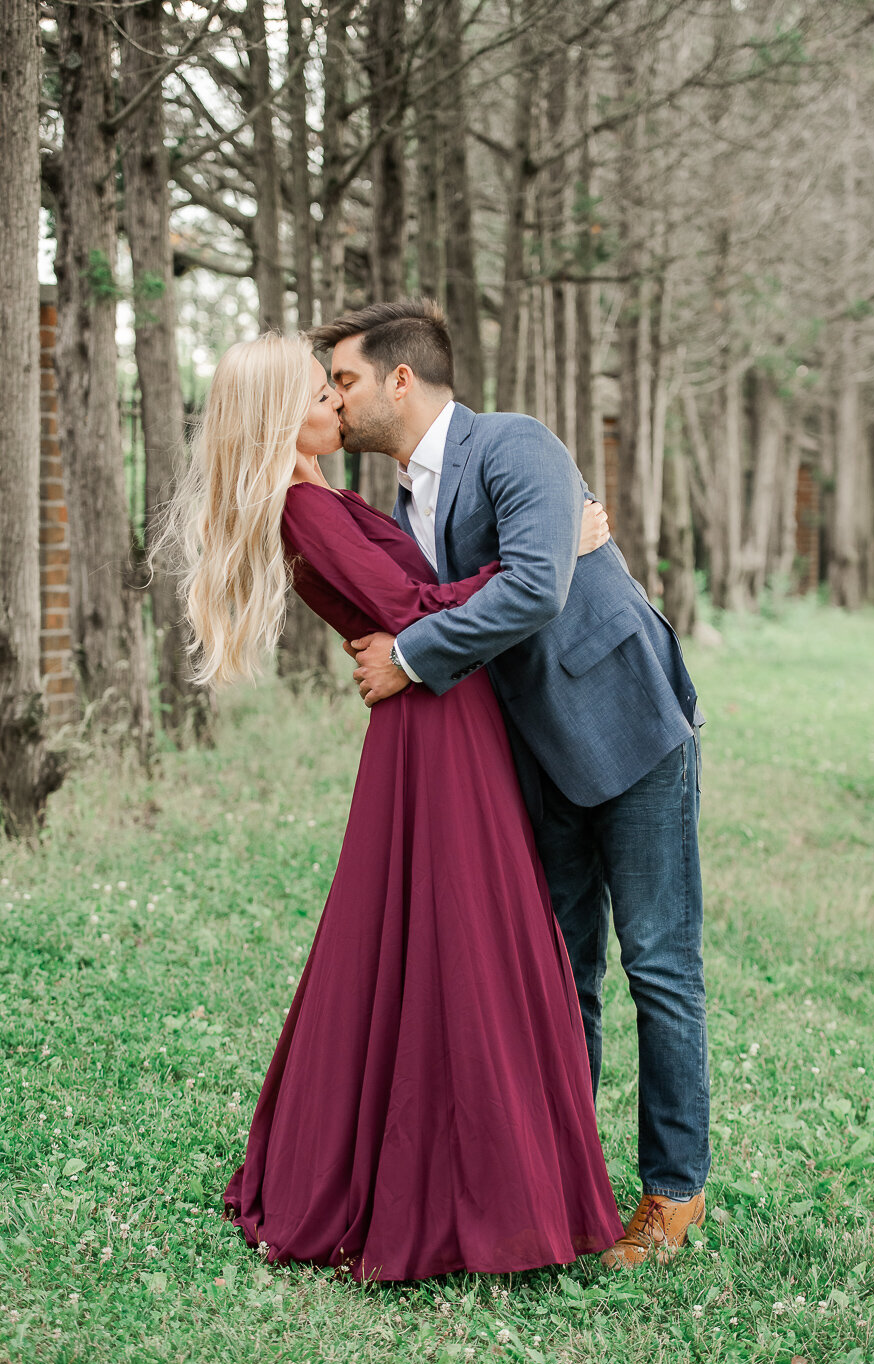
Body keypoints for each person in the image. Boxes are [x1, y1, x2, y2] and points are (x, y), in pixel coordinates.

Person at [165, 333, 623, 1282]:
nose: (338, 405)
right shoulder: (306, 507)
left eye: (337, 388)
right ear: (278, 416)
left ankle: (493, 1174)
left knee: (456, 938)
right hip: (431, 732)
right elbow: (416, 611)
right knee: (458, 940)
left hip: (439, 717)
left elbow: (413, 604)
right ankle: (457, 1190)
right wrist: (545, 557)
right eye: (320, 394)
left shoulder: (326, 499)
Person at [312, 299, 710, 1270]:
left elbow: (534, 588)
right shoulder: (403, 497)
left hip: (627, 721)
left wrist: (411, 652)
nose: (335, 397)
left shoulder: (514, 443)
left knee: (656, 959)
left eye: (347, 380)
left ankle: (673, 1190)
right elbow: (510, 574)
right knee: (561, 966)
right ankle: (564, 1185)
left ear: (401, 379)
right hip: (529, 751)